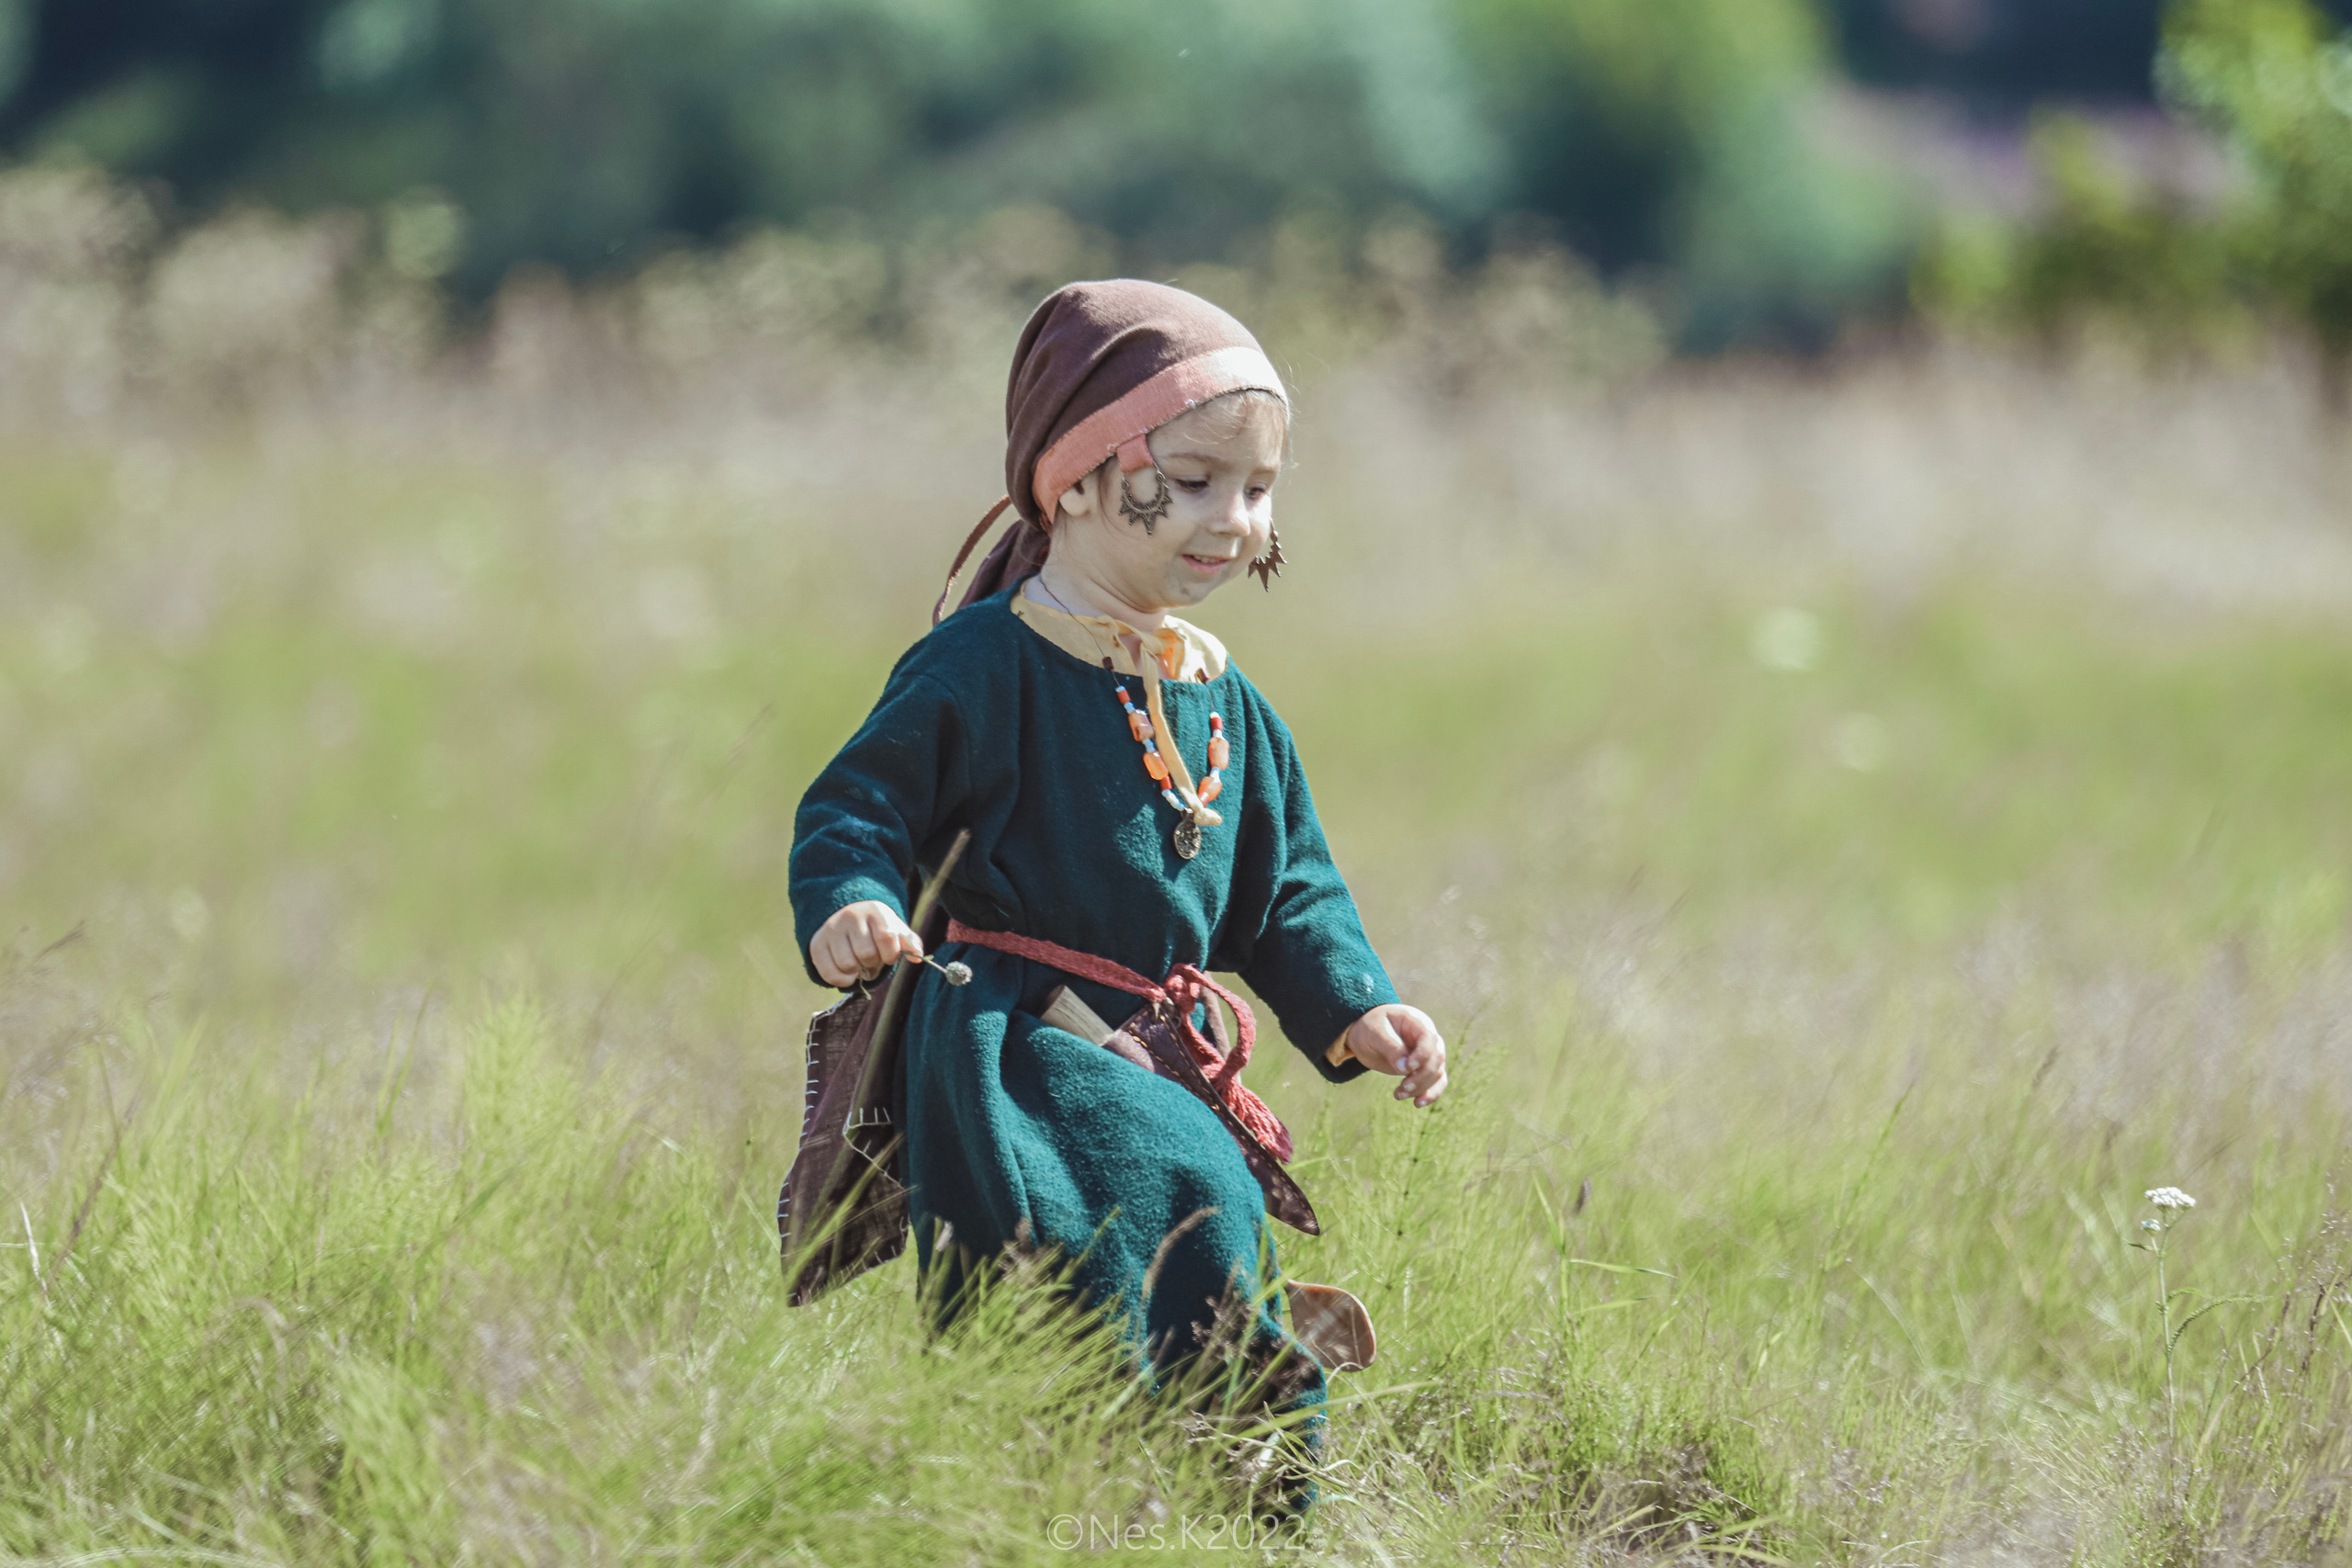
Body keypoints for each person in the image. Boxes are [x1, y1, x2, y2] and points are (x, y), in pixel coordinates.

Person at [788, 279, 1447, 1493]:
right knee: (1094, 1248)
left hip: (1154, 1039)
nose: (1232, 520)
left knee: (1205, 1214)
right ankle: (1054, 1489)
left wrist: (1358, 1005)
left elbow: (1287, 890)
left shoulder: (1226, 700)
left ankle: (1234, 1488)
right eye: (1191, 481)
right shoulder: (985, 662)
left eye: (1258, 489)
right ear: (1078, 479)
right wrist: (850, 902)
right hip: (1010, 1037)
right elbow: (858, 805)